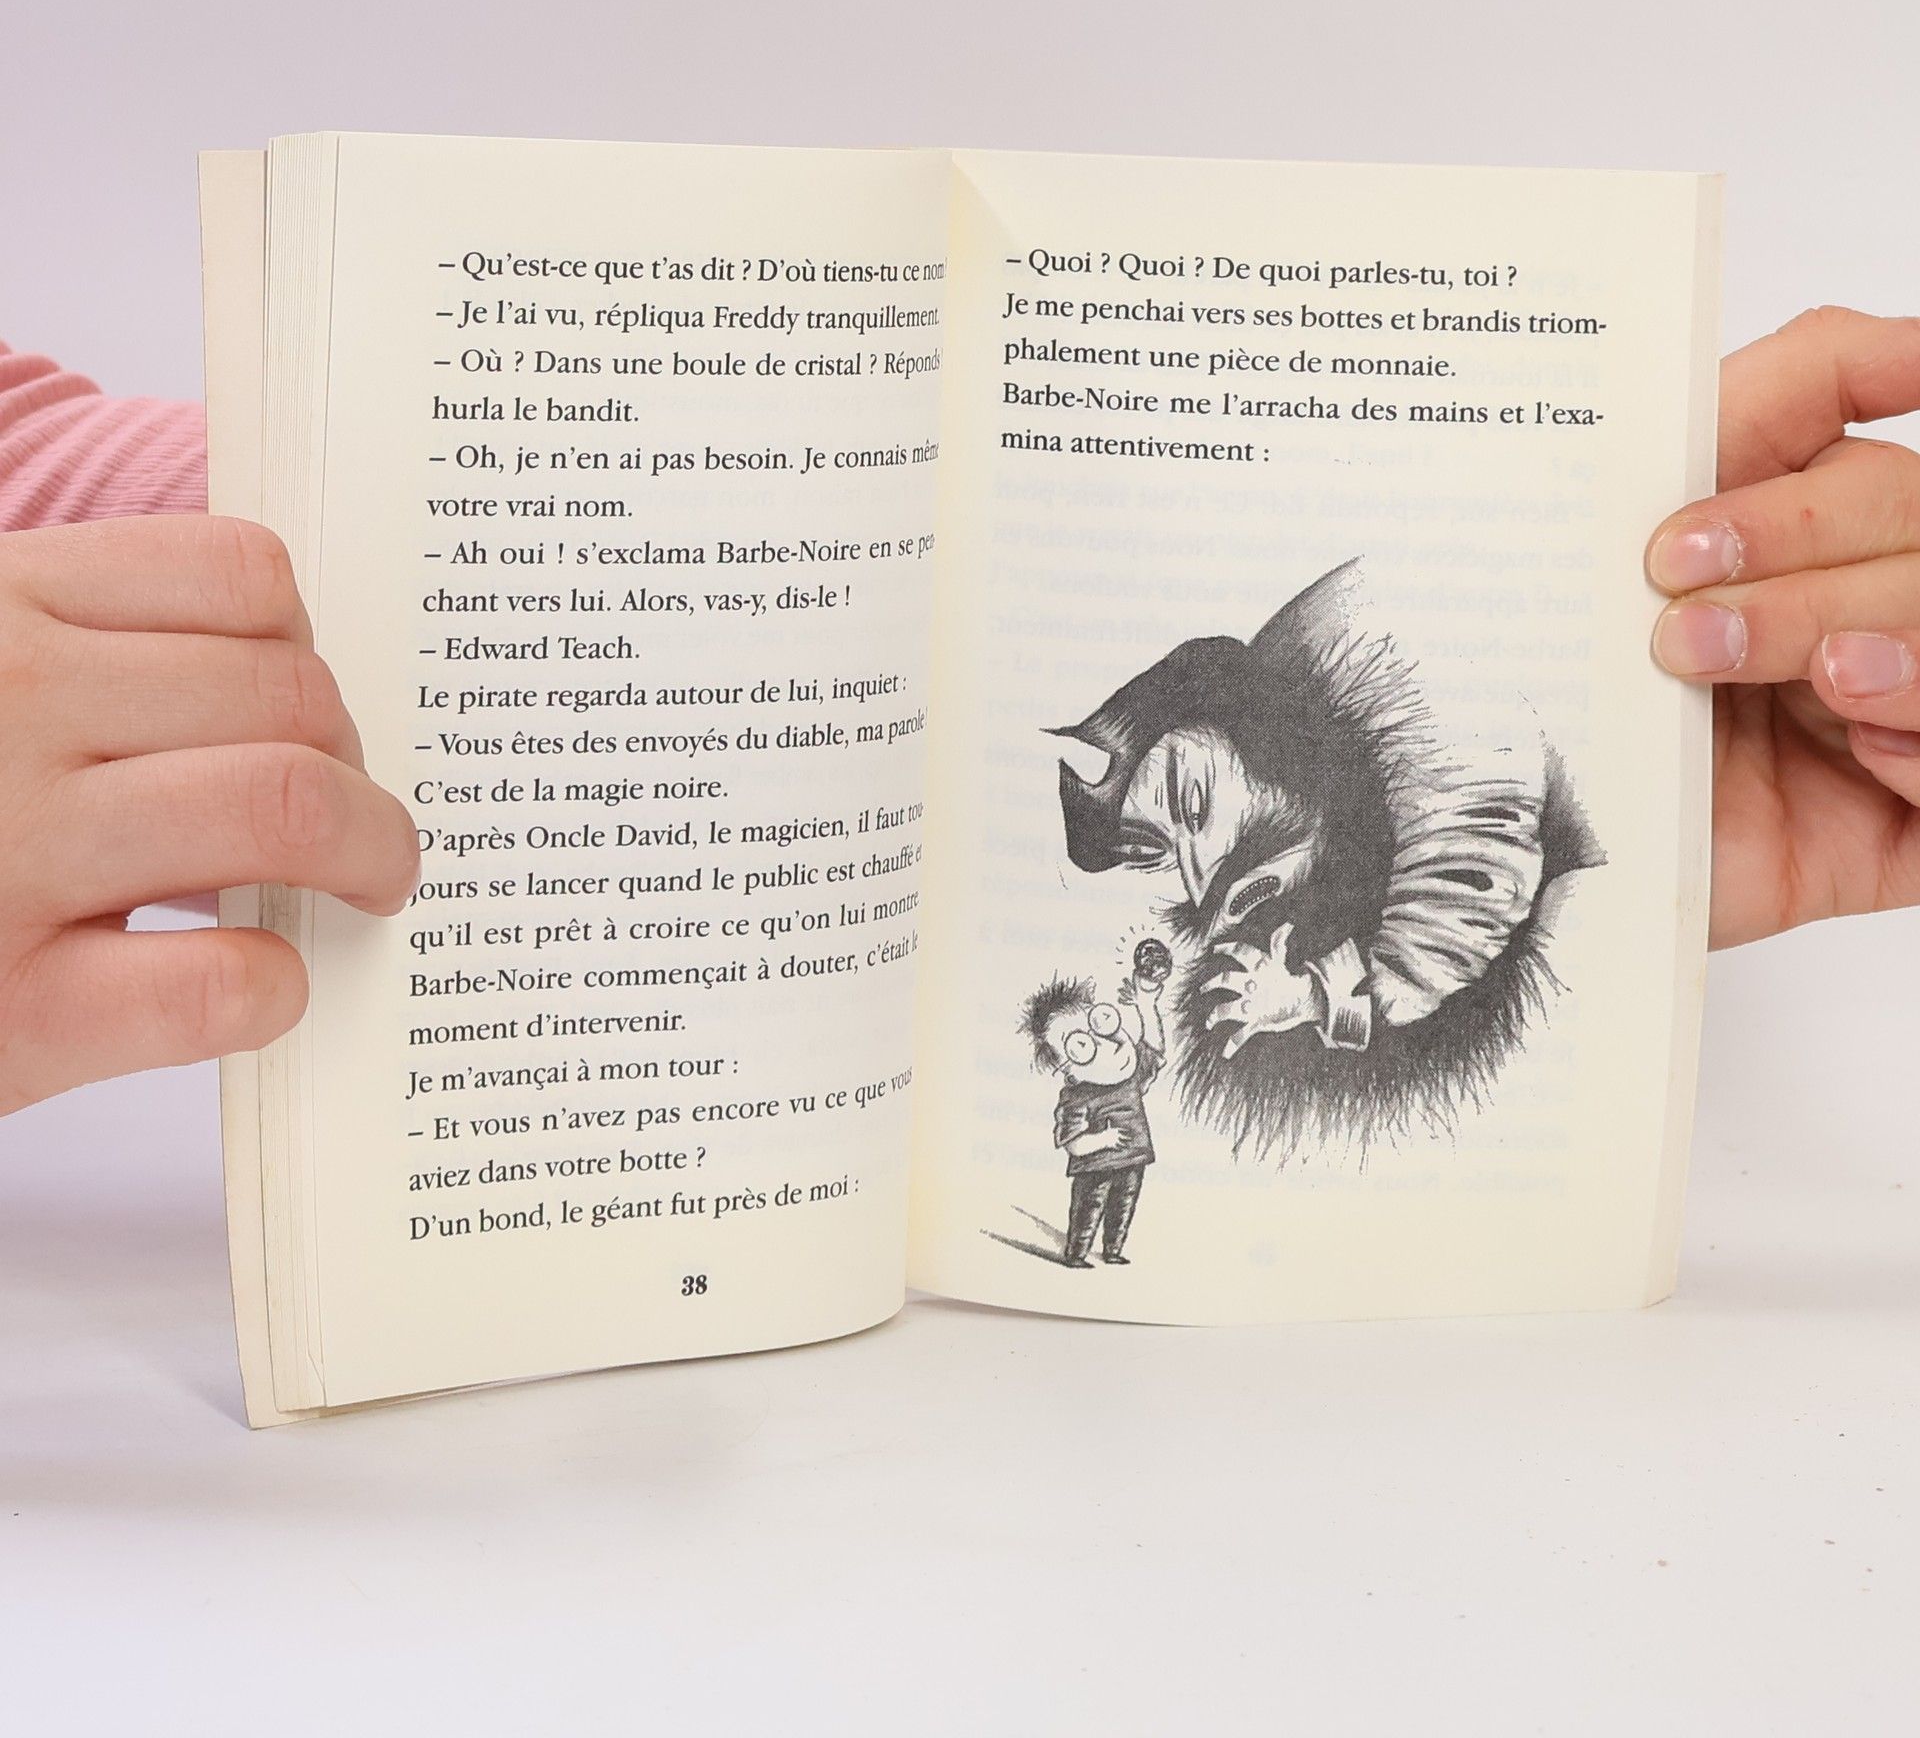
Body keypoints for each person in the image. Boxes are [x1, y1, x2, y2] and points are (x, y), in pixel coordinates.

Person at [2, 306, 1918, 1117]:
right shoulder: (1266, 770)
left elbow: (28, 460)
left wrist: (1604, 634)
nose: (1182, 877)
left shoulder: (1331, 703)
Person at [1018, 972, 1166, 1266]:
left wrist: (1147, 1003)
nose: (1105, 1044)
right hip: (1095, 1167)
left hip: (1133, 1158)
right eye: (1081, 1045)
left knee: (1123, 1206)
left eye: (1101, 1023)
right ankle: (1076, 1253)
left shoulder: (1131, 1076)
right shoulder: (1077, 1096)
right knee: (1089, 1208)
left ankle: (1113, 1250)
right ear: (1069, 1071)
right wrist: (1103, 1140)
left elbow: (1155, 1047)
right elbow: (1073, 1144)